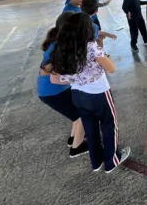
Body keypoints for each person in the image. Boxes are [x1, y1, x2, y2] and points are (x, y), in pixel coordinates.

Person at [45, 13, 131, 173]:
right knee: (109, 125)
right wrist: (102, 53)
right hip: (99, 94)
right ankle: (111, 161)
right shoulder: (91, 47)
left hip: (78, 95)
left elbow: (56, 79)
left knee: (90, 128)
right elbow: (111, 69)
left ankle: (96, 162)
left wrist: (78, 78)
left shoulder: (62, 48)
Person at [37, 12, 88, 158]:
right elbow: (55, 79)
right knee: (83, 115)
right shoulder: (58, 48)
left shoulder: (57, 42)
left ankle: (74, 139)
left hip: (54, 90)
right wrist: (79, 79)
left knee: (77, 113)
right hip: (53, 92)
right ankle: (77, 148)